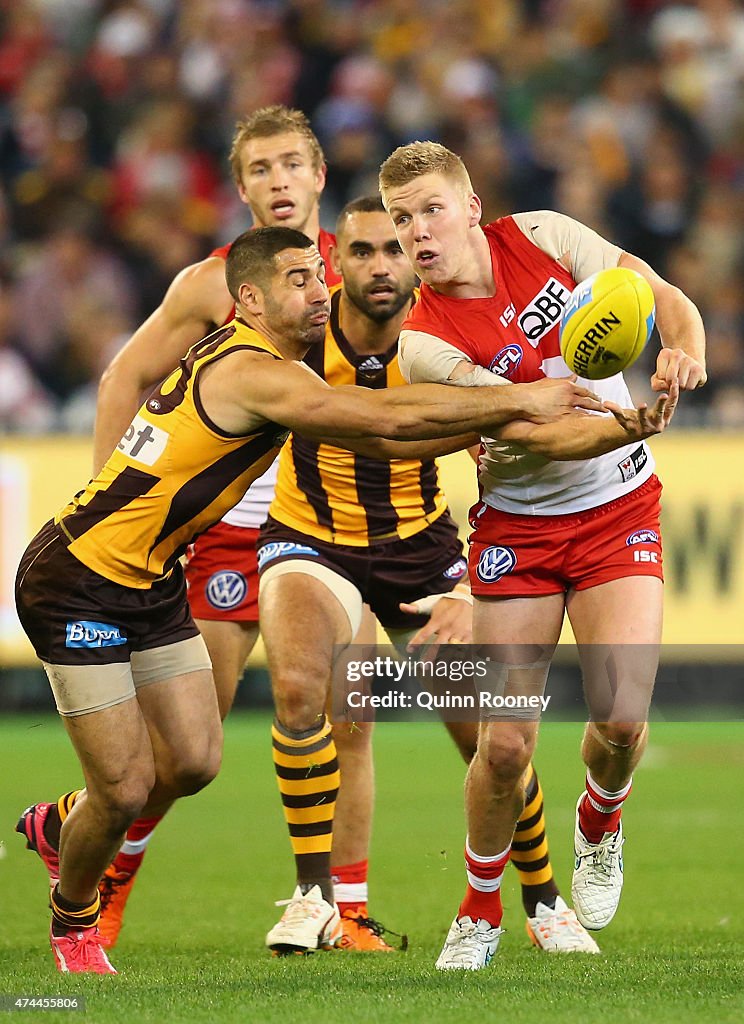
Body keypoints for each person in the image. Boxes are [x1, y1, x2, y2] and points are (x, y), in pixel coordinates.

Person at [15, 225, 609, 974]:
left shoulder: (277, 366)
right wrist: (520, 398)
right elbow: (387, 419)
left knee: (195, 762)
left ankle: (62, 823)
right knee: (128, 783)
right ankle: (74, 920)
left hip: (153, 579)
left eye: (317, 274)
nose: (319, 289)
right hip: (79, 580)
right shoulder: (254, 371)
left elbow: (387, 440)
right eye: (300, 279)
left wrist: (512, 419)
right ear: (252, 299)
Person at [378, 140, 703, 970]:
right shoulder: (420, 344)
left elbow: (660, 295)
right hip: (518, 532)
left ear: (472, 206)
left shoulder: (547, 237)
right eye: (401, 219)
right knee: (506, 746)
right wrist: (630, 422)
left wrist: (682, 346)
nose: (417, 233)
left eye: (430, 211)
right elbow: (534, 431)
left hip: (618, 508)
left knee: (622, 721)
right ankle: (479, 909)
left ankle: (602, 818)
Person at [257, 195, 602, 956]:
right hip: (312, 539)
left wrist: (469, 586)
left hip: (422, 548)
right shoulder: (293, 337)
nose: (382, 265)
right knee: (298, 686)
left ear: (415, 259)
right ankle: (314, 899)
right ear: (333, 264)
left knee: (489, 735)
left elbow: (503, 467)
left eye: (395, 250)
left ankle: (544, 898)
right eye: (362, 252)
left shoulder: (442, 335)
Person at [90, 105, 347, 948]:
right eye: (261, 170)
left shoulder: (368, 263)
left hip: (329, 522)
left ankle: (345, 910)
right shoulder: (211, 283)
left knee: (350, 715)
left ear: (318, 175)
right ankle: (103, 871)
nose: (278, 182)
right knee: (191, 747)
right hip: (232, 525)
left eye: (291, 166)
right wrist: (110, 496)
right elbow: (126, 375)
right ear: (241, 189)